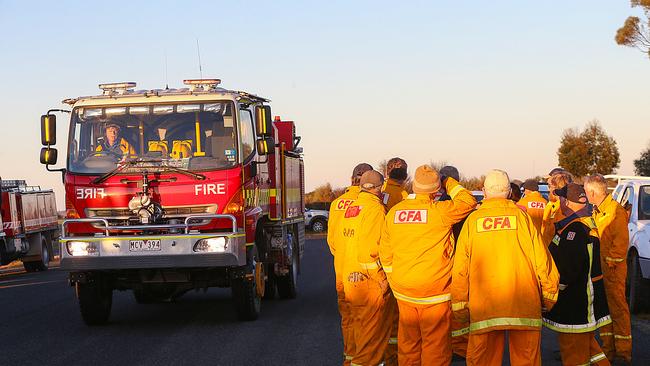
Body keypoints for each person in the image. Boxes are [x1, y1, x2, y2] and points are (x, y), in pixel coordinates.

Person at [451, 169, 559, 366]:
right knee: (527, 360)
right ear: (510, 192)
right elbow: (542, 260)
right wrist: (549, 297)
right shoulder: (522, 218)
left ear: (484, 192)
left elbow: (460, 268)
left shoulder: (473, 221)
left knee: (482, 360)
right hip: (523, 304)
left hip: (484, 307)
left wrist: (460, 307)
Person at [380, 165, 476, 365]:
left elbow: (386, 254)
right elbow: (468, 201)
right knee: (436, 345)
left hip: (404, 290)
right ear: (436, 189)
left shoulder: (395, 213)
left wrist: (394, 280)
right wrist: (448, 181)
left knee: (408, 344)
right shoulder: (440, 211)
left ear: (413, 186)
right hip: (435, 291)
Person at [542, 183, 611, 366]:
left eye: (561, 198)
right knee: (590, 348)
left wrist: (552, 293)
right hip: (583, 301)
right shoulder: (582, 223)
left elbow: (568, 269)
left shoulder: (575, 230)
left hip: (575, 303)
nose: (558, 202)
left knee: (573, 352)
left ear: (567, 201)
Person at [341, 170, 396, 366]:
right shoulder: (375, 210)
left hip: (351, 280)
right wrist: (381, 279)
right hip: (368, 284)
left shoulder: (352, 208)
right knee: (369, 347)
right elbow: (370, 251)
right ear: (379, 188)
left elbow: (336, 244)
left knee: (358, 341)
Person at [327, 163, 373, 366]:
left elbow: (332, 242)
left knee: (347, 318)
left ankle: (349, 358)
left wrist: (343, 257)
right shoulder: (368, 203)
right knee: (365, 320)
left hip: (341, 269)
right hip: (362, 273)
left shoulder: (337, 203)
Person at [584, 174, 632, 365]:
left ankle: (623, 353)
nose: (586, 195)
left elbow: (620, 244)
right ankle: (608, 350)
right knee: (604, 313)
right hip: (601, 271)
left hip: (612, 272)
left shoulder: (615, 211)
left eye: (587, 192)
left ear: (593, 192)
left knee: (618, 311)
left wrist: (610, 264)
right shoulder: (598, 211)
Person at [541, 168, 573, 246]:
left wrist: (553, 249)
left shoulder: (563, 208)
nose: (549, 189)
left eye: (549, 186)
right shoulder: (552, 205)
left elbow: (560, 237)